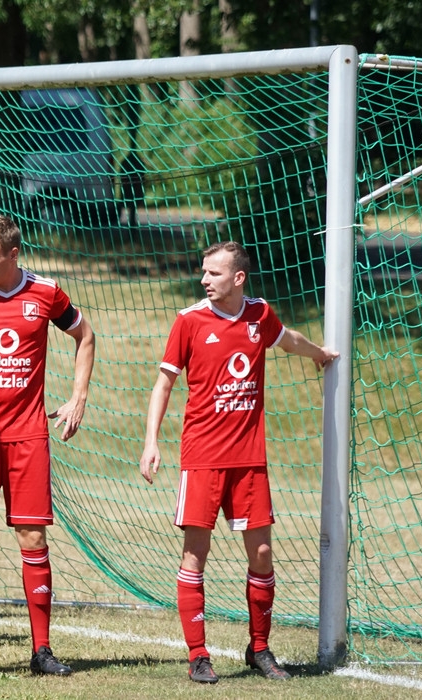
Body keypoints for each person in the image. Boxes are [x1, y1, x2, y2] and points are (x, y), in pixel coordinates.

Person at [138, 240, 338, 684]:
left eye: (214, 273)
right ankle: (198, 656)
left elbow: (289, 340)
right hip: (202, 458)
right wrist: (151, 442)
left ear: (238, 277)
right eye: (204, 272)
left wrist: (320, 354)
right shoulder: (189, 321)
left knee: (262, 553)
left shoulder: (259, 315)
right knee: (196, 554)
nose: (204, 280)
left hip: (249, 460)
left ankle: (260, 649)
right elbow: (163, 384)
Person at [0, 214, 95, 677]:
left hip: (29, 436)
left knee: (33, 538)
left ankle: (42, 650)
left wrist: (78, 396)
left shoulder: (46, 293)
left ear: (14, 255)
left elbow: (85, 335)